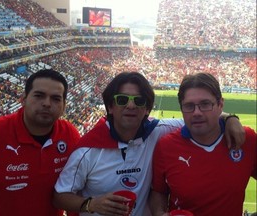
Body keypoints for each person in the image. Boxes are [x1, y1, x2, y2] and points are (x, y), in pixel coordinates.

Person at [53, 71, 244, 216]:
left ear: (146, 109)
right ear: (110, 107)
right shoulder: (88, 150)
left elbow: (198, 118)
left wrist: (230, 119)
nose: (130, 105)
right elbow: (59, 196)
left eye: (139, 100)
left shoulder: (158, 130)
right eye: (122, 100)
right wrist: (91, 204)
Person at [0, 69, 80, 216]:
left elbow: (75, 188)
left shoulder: (70, 135)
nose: (47, 103)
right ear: (23, 99)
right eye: (39, 96)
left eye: (55, 99)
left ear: (64, 106)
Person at [149, 73, 256, 216]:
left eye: (205, 104)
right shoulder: (166, 146)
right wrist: (159, 213)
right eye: (189, 106)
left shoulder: (245, 139)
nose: (196, 113)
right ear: (181, 109)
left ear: (220, 105)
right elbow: (158, 192)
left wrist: (231, 117)